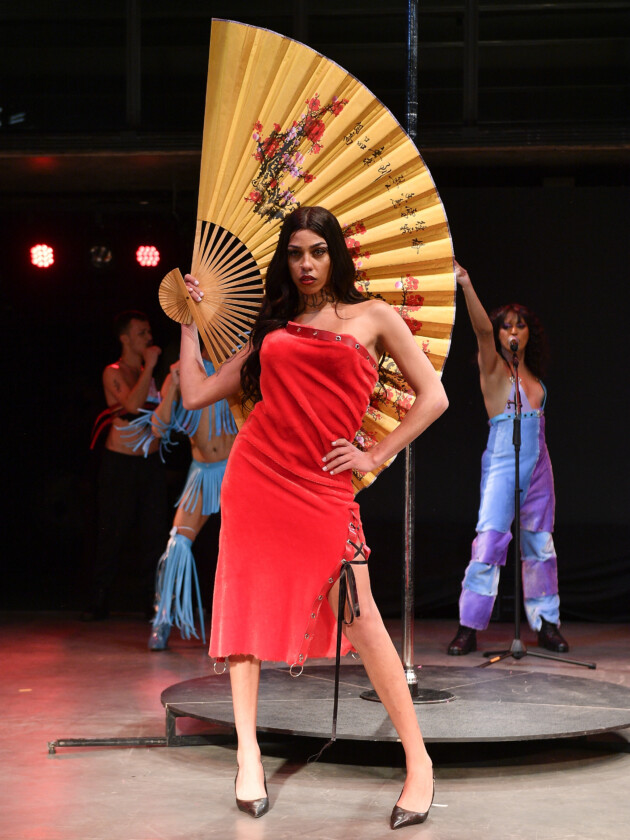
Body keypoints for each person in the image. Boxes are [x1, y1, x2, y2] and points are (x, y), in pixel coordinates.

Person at [179, 206, 448, 829]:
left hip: (323, 485)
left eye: (317, 252)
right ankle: (247, 756)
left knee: (361, 615)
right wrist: (189, 325)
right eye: (296, 253)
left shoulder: (374, 317)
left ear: (336, 255)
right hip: (257, 475)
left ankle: (419, 762)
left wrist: (376, 451)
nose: (305, 264)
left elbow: (433, 397)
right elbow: (195, 394)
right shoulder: (273, 326)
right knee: (245, 603)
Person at [447, 262, 569, 656]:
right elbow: (481, 330)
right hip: (502, 465)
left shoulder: (531, 372)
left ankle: (547, 623)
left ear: (529, 332)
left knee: (540, 546)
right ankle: (469, 626)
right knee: (489, 543)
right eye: (506, 326)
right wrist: (465, 284)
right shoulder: (495, 370)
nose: (512, 332)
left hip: (539, 470)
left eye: (519, 325)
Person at [146, 354, 237, 650]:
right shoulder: (184, 371)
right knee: (177, 544)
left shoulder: (235, 363)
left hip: (236, 470)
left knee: (250, 548)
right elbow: (158, 429)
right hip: (201, 473)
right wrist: (173, 384)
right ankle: (162, 620)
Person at [83, 311, 169, 621]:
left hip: (150, 463)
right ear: (125, 338)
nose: (149, 337)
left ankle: (151, 600)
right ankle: (99, 599)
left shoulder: (150, 374)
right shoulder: (113, 371)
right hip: (120, 463)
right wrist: (150, 367)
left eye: (149, 332)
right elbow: (132, 405)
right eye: (142, 332)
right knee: (113, 531)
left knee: (154, 533)